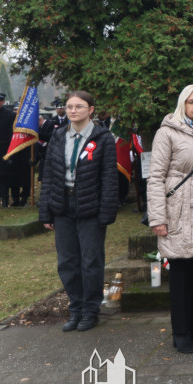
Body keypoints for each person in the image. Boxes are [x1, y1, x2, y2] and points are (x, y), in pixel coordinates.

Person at [147, 85, 193, 354]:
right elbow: (156, 177)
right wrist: (158, 217)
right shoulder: (167, 132)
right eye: (191, 102)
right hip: (178, 212)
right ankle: (181, 332)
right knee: (181, 277)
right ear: (183, 105)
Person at [38, 91, 118, 332]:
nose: (73, 111)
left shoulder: (102, 138)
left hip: (90, 208)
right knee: (67, 262)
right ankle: (76, 307)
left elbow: (109, 179)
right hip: (63, 206)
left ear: (91, 109)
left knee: (91, 261)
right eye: (69, 106)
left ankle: (91, 309)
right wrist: (46, 212)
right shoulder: (59, 135)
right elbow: (49, 175)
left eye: (79, 106)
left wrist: (106, 213)